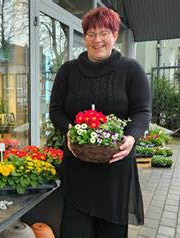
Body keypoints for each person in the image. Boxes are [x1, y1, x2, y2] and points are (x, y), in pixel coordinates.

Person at [49, 7, 151, 238]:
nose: (97, 40)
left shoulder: (131, 70)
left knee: (111, 232)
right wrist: (71, 131)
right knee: (75, 230)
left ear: (115, 35)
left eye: (104, 33)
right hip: (78, 167)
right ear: (84, 37)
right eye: (91, 34)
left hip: (114, 168)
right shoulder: (68, 71)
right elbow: (55, 110)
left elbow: (142, 111)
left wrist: (131, 137)